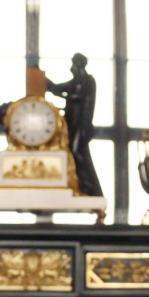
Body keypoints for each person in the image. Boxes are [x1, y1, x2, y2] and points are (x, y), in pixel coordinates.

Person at [46, 53, 102, 197]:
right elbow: (57, 89)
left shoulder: (88, 81)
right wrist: (43, 80)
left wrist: (63, 96)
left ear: (78, 65)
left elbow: (77, 97)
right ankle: (81, 185)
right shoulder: (75, 82)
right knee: (73, 152)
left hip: (81, 126)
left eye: (73, 64)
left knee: (78, 152)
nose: (71, 68)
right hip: (72, 125)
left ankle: (90, 188)